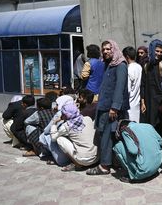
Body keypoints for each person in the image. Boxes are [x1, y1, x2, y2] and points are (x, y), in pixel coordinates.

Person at [87, 39, 129, 175]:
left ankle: (105, 166)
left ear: (114, 49)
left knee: (108, 136)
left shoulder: (121, 65)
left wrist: (115, 107)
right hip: (104, 106)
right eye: (103, 49)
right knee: (106, 135)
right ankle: (111, 163)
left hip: (112, 109)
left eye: (108, 49)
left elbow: (119, 87)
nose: (105, 52)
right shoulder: (108, 65)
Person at [140, 39, 162, 155]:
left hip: (159, 103)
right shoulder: (146, 65)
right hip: (148, 102)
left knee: (161, 128)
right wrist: (142, 102)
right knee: (149, 127)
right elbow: (142, 84)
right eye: (156, 51)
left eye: (161, 52)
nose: (158, 54)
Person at [51, 103, 98, 172]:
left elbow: (53, 138)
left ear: (66, 115)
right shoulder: (87, 118)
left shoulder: (66, 126)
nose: (61, 115)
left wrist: (54, 124)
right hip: (96, 158)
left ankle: (77, 164)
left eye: (63, 114)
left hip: (83, 160)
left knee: (59, 139)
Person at [39, 95, 74, 166]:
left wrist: (55, 122)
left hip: (65, 155)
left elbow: (46, 130)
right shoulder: (76, 111)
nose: (55, 107)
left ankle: (58, 157)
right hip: (77, 150)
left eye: (57, 105)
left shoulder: (60, 113)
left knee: (43, 136)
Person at [122, 46, 143, 123]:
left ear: (126, 57)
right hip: (137, 102)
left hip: (129, 104)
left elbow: (127, 89)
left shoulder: (129, 69)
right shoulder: (139, 67)